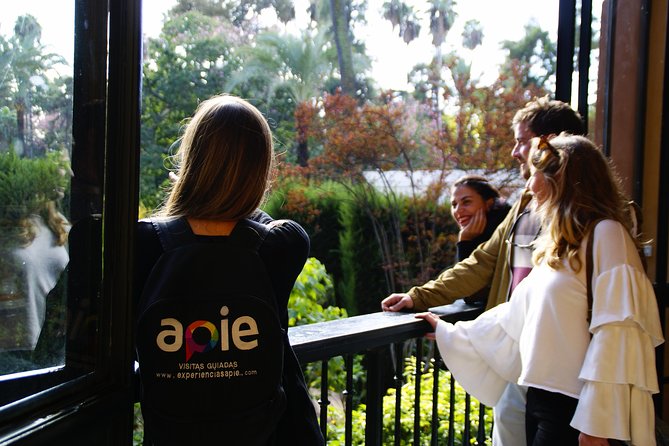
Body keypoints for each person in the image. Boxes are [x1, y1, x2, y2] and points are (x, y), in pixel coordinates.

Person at [416, 133, 663, 445]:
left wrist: (598, 424)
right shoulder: (559, 245)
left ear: (561, 180)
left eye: (534, 175)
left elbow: (616, 334)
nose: (529, 187)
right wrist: (449, 330)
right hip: (543, 402)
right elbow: (519, 315)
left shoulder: (608, 234)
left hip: (578, 412)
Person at [381, 96, 586, 445]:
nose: (514, 151)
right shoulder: (525, 203)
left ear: (549, 142)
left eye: (522, 141)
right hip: (520, 356)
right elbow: (481, 263)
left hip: (566, 365)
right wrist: (418, 297)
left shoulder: (589, 212)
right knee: (508, 425)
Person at [134, 95, 324, 445]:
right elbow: (260, 221)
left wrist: (191, 194)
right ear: (261, 169)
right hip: (274, 435)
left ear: (191, 159)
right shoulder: (283, 245)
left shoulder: (141, 244)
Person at [449, 175, 511, 303]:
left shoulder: (504, 235)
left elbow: (469, 292)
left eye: (466, 202)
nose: (458, 210)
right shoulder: (476, 234)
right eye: (454, 204)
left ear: (488, 204)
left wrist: (465, 242)